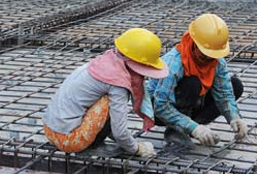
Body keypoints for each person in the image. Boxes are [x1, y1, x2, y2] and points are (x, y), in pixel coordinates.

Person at [43, 28, 169, 157]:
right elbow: (119, 131)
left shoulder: (105, 62)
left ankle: (92, 141)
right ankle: (91, 147)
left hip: (50, 130)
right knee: (108, 102)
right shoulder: (116, 82)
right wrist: (137, 148)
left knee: (104, 100)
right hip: (68, 140)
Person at [147, 14, 247, 147]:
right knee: (192, 83)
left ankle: (191, 125)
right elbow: (161, 106)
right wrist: (194, 128)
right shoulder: (174, 63)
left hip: (191, 104)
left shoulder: (216, 61)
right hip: (156, 109)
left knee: (235, 85)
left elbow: (224, 94)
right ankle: (177, 129)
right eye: (207, 53)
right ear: (195, 43)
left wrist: (234, 117)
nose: (210, 58)